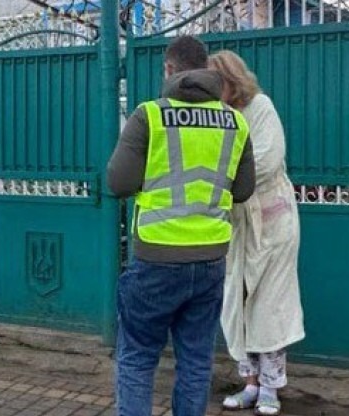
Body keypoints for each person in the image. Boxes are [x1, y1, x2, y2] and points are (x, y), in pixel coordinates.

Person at [106, 37, 255, 416]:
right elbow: (243, 190)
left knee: (138, 358)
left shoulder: (149, 115)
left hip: (156, 258)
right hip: (210, 262)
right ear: (206, 69)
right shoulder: (235, 122)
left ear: (169, 69)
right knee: (196, 362)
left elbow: (118, 183)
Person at [208, 50, 305, 416]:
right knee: (237, 302)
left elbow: (267, 159)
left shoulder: (260, 107)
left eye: (217, 83)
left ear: (231, 81)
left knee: (270, 305)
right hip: (236, 223)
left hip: (272, 222)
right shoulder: (215, 116)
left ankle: (270, 388)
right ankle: (249, 383)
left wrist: (220, 180)